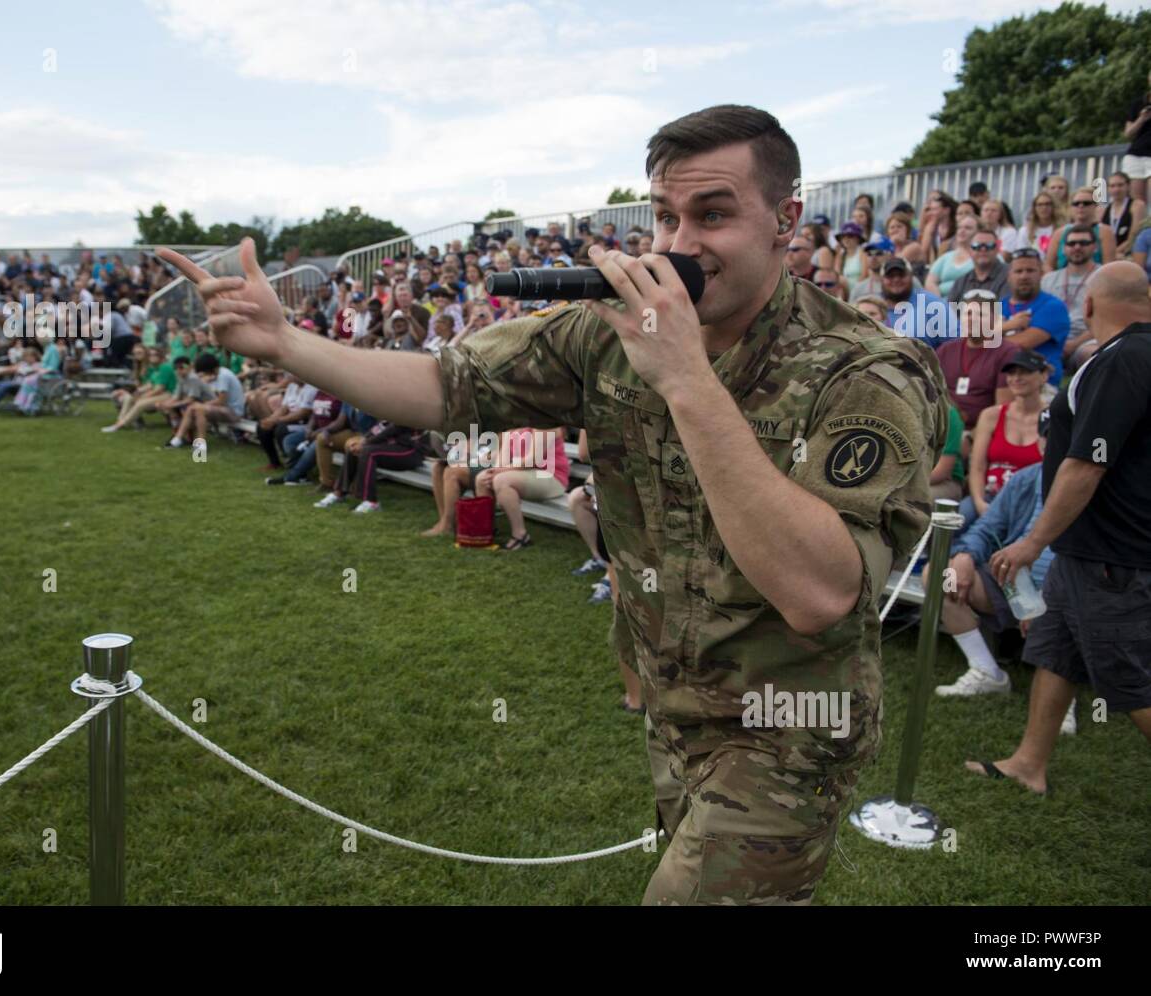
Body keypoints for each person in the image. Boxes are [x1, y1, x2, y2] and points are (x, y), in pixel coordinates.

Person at [158, 103, 947, 906]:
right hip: (674, 706)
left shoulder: (866, 371)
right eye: (667, 217)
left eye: (714, 215)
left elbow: (819, 592)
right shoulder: (605, 336)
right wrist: (291, 344)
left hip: (789, 726)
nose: (681, 245)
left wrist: (684, 378)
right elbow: (447, 387)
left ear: (786, 222)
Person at [971, 263, 1151, 793]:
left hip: (1111, 554)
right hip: (1093, 550)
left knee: (1132, 681)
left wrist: (1031, 543)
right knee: (1056, 650)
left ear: (1089, 306)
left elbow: (1087, 463)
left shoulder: (1119, 360)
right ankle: (1029, 763)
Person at [923, 418, 1055, 701]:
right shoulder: (1026, 478)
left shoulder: (1097, 486)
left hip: (1064, 592)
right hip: (1013, 583)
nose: (1055, 443)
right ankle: (987, 672)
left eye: (1065, 435)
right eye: (1048, 436)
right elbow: (987, 527)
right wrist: (965, 556)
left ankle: (1059, 695)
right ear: (1040, 443)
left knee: (1069, 594)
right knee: (939, 574)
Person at [964, 349, 1047, 524]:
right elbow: (977, 466)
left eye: (1025, 372)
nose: (1016, 378)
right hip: (989, 495)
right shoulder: (991, 415)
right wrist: (979, 503)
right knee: (950, 526)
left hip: (1029, 501)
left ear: (1043, 376)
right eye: (1012, 373)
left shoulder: (1052, 418)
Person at [473, 427, 571, 550]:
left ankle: (520, 535)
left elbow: (533, 459)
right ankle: (484, 533)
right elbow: (504, 454)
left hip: (550, 475)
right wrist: (494, 471)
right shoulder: (514, 423)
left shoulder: (545, 424)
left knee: (502, 481)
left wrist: (500, 472)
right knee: (482, 478)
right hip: (524, 471)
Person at [935, 289, 1017, 431]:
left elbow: (1002, 408)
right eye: (968, 313)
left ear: (995, 319)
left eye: (981, 314)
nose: (972, 319)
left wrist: (974, 436)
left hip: (984, 430)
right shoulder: (946, 350)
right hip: (945, 426)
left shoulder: (1007, 352)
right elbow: (933, 392)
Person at [1000, 248, 1069, 384]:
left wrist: (991, 335)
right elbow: (971, 341)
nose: (1024, 276)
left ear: (1041, 274)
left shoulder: (1054, 306)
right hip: (1000, 379)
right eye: (1018, 271)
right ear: (1009, 276)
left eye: (1030, 270)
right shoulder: (998, 305)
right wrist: (1006, 326)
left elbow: (1021, 343)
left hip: (1039, 381)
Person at [1041, 225, 1101, 371]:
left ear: (1095, 247)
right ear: (1063, 248)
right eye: (1071, 243)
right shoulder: (1049, 279)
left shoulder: (1104, 276)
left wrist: (1074, 344)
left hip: (1087, 340)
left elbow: (1107, 320)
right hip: (1051, 339)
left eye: (1083, 243)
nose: (1077, 247)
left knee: (1091, 353)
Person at [1045, 186, 1116, 271]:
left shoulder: (1104, 232)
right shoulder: (1060, 233)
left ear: (1095, 206)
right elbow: (1048, 265)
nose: (1081, 206)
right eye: (1076, 203)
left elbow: (1108, 265)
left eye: (1086, 203)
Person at [947, 227, 1008, 303]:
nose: (983, 249)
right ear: (969, 250)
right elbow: (949, 311)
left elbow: (1005, 310)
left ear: (997, 249)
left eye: (989, 245)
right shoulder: (961, 282)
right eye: (976, 245)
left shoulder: (1009, 276)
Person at [925, 214, 978, 297]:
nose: (962, 231)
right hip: (942, 304)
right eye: (959, 227)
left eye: (968, 228)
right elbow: (930, 282)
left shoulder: (985, 257)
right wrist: (940, 304)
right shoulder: (946, 257)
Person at [1121, 71, 1151, 205]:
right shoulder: (1138, 103)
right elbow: (1128, 133)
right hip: (1136, 155)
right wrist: (1142, 119)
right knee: (1137, 203)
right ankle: (1140, 226)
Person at [1102, 171, 1145, 256]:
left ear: (1128, 186)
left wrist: (1114, 253)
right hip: (1108, 254)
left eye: (1120, 185)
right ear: (1108, 189)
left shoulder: (1136, 205)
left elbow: (1134, 236)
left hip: (1127, 253)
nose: (1116, 189)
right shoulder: (1103, 210)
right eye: (1112, 186)